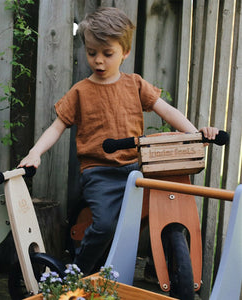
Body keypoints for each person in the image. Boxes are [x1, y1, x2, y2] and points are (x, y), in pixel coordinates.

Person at [18, 7, 218, 275]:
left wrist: (195, 135)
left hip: (135, 169)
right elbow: (57, 127)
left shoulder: (134, 84)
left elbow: (168, 111)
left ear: (124, 52)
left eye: (107, 53)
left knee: (158, 206)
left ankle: (149, 261)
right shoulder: (81, 91)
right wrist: (35, 153)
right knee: (104, 226)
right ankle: (76, 272)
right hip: (99, 173)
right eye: (92, 53)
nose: (98, 61)